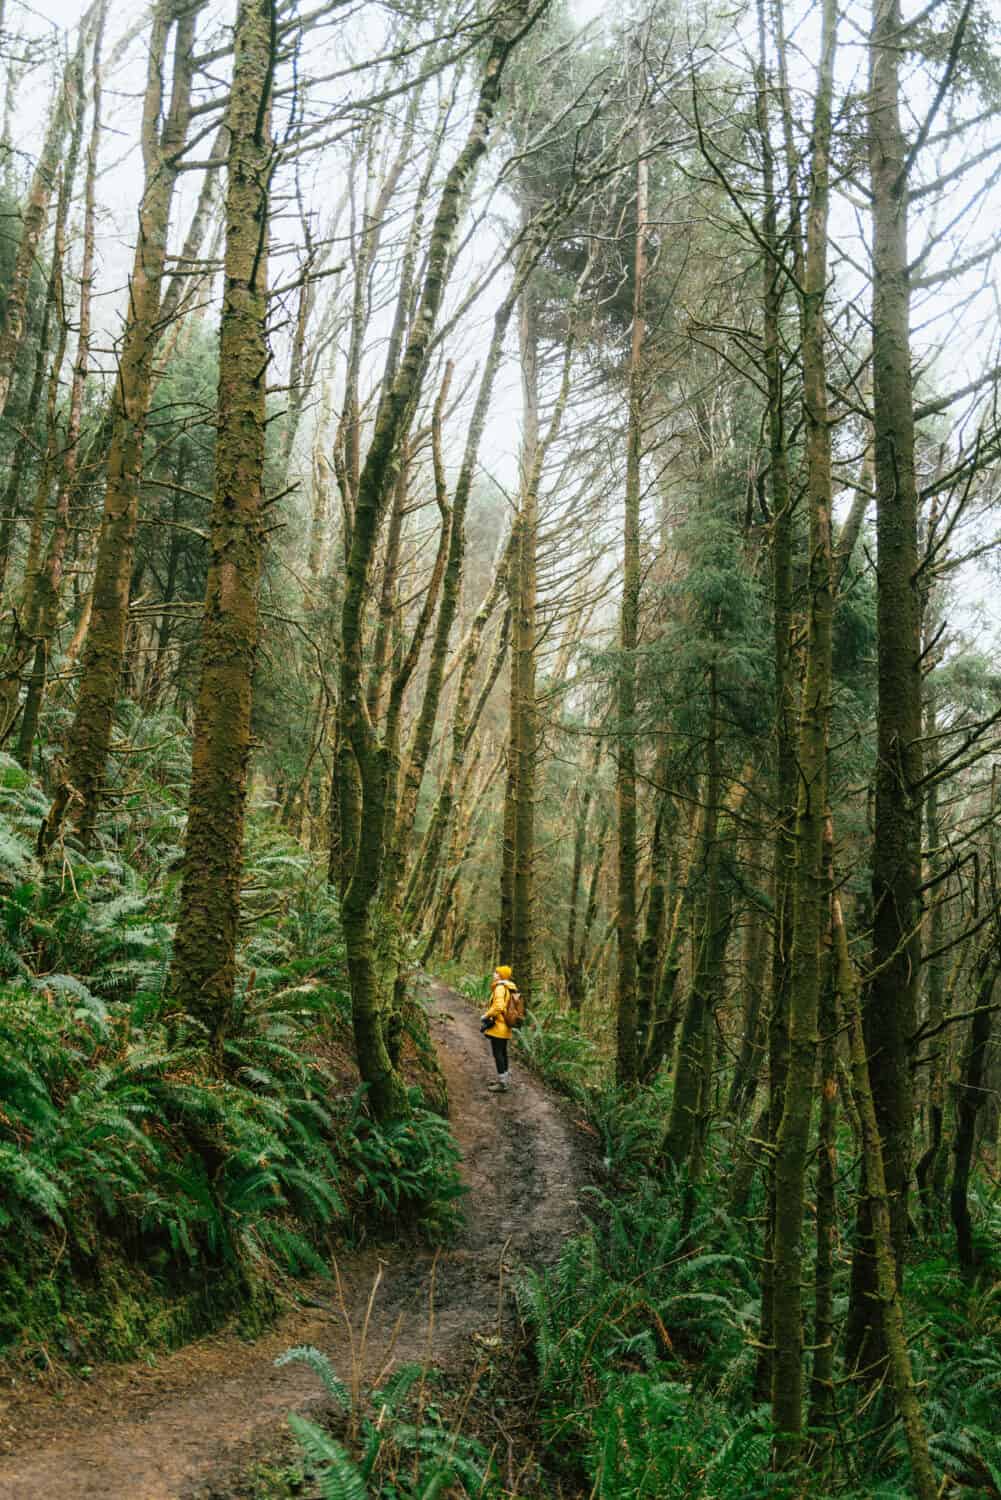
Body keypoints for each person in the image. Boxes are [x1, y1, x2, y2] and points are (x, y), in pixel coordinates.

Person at [480, 964, 516, 1092]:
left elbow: (499, 1007)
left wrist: (486, 1015)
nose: (493, 974)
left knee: (498, 1053)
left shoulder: (500, 987)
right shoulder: (509, 987)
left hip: (499, 1026)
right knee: (503, 1053)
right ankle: (504, 1080)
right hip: (506, 1026)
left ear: (501, 975)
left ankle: (502, 1084)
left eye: (496, 972)